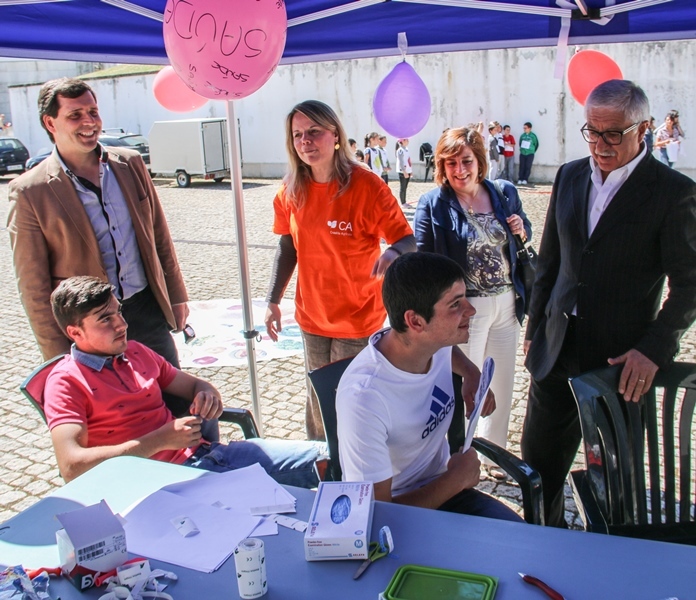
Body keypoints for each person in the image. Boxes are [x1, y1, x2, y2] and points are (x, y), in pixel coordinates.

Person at [522, 79, 696, 528]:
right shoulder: (569, 175)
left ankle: (610, 558)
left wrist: (655, 348)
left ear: (646, 129)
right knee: (539, 465)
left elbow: (690, 284)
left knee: (613, 477)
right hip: (556, 348)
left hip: (620, 362)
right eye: (592, 132)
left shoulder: (673, 192)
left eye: (614, 133)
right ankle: (545, 541)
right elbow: (551, 264)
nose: (600, 144)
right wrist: (534, 329)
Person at [45, 276, 326, 486]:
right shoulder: (65, 382)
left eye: (118, 312)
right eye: (105, 319)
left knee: (336, 457)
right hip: (166, 488)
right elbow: (71, 466)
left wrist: (207, 394)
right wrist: (159, 440)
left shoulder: (135, 351)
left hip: (210, 458)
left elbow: (195, 386)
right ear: (75, 332)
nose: (121, 324)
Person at [7, 77, 188, 370]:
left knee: (175, 402)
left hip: (146, 311)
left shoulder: (130, 164)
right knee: (115, 414)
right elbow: (33, 286)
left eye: (93, 112)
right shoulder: (30, 191)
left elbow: (159, 236)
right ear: (50, 123)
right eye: (75, 115)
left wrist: (177, 296)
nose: (89, 122)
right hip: (90, 330)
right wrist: (57, 356)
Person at [265, 101, 416, 440]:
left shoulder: (367, 185)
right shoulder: (289, 189)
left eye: (314, 132)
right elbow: (288, 247)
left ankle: (357, 470)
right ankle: (321, 465)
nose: (306, 141)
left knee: (350, 404)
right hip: (312, 317)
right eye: (298, 135)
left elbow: (406, 239)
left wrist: (393, 253)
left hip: (357, 318)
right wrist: (272, 300)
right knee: (318, 403)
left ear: (335, 135)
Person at [336, 252, 522, 522]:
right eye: (456, 304)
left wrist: (471, 372)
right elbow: (374, 515)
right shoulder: (364, 398)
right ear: (415, 321)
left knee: (521, 542)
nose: (470, 310)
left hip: (447, 490)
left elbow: (449, 352)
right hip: (400, 515)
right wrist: (455, 479)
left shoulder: (432, 344)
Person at [413, 127, 532, 480]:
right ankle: (457, 457)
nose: (459, 169)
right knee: (463, 385)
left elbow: (522, 232)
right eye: (450, 163)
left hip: (507, 304)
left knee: (502, 384)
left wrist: (521, 228)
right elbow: (423, 256)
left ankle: (494, 456)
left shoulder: (504, 193)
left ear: (480, 161)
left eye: (466, 161)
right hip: (466, 311)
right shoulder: (434, 202)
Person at [395, 138, 412, 205]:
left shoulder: (406, 149)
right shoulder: (400, 150)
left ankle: (404, 201)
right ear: (402, 141)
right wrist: (404, 171)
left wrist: (410, 170)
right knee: (403, 187)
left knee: (405, 187)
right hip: (402, 171)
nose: (408, 141)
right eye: (406, 140)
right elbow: (401, 162)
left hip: (407, 170)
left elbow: (408, 160)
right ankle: (403, 202)